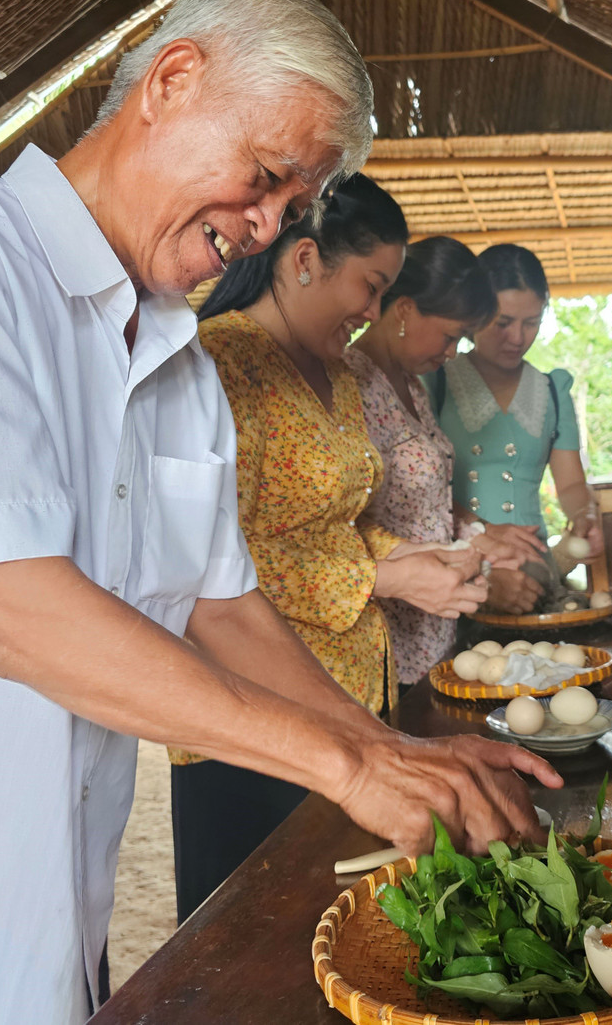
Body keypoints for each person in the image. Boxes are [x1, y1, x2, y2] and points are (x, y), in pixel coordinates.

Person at [0, 0, 560, 1021]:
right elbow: (18, 615)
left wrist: (389, 747)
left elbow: (222, 603)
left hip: (55, 902)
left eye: (292, 206)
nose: (267, 225)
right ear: (173, 80)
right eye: (267, 177)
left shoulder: (175, 362)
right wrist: (346, 761)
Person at [170, 179, 496, 920]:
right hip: (254, 707)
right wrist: (383, 574)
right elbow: (208, 561)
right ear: (306, 258)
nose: (375, 312)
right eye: (372, 285)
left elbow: (340, 523)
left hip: (356, 693)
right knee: (256, 928)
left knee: (354, 917)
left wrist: (416, 561)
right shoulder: (218, 366)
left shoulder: (339, 374)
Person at [347, 236, 546, 684]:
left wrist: (481, 537)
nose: (454, 352)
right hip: (388, 626)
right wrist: (478, 571)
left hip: (435, 624)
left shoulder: (413, 386)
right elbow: (350, 524)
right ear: (405, 311)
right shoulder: (351, 385)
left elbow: (424, 504)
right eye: (450, 336)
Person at [430, 244, 606, 614]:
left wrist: (584, 515)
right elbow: (417, 495)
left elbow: (571, 484)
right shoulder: (435, 381)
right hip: (457, 569)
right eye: (503, 323)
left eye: (532, 322)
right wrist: (482, 533)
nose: (517, 338)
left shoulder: (552, 392)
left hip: (535, 573)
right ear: (475, 312)